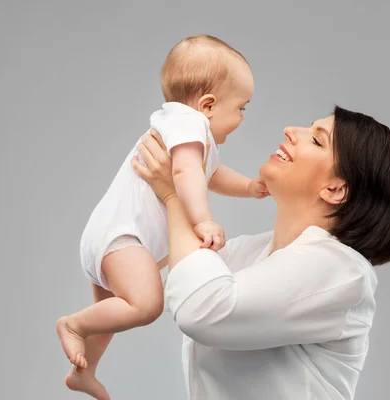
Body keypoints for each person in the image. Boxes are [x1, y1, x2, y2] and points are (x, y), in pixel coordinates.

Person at [131, 105, 390, 399]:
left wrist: (175, 193)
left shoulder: (342, 269)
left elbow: (201, 310)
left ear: (335, 189)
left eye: (317, 140)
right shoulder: (252, 251)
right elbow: (149, 286)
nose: (291, 130)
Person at [56, 35, 268, 399]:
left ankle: (84, 371)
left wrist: (249, 186)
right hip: (122, 239)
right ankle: (71, 324)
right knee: (147, 304)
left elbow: (209, 175)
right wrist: (202, 220)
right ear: (208, 105)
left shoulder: (183, 129)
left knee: (110, 316)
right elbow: (186, 176)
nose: (242, 118)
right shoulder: (190, 125)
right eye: (241, 108)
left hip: (110, 236)